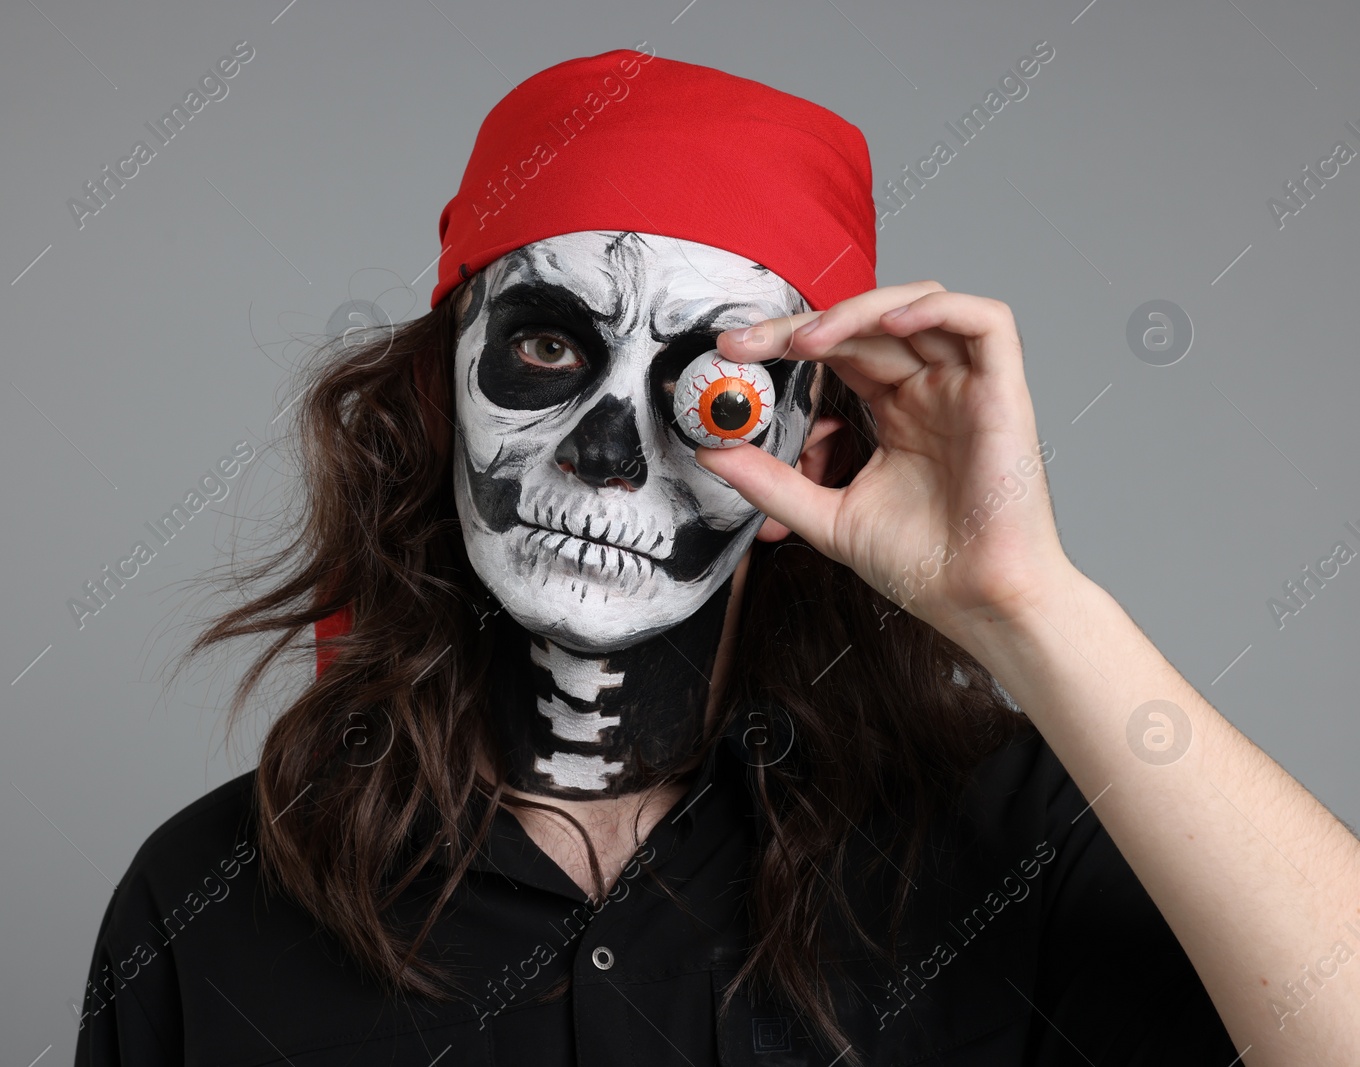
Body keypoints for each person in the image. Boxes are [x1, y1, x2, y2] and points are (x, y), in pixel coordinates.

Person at [72, 49, 1360, 1066]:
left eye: (715, 396)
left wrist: (1027, 600)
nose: (609, 460)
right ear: (438, 392)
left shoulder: (1001, 850)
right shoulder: (211, 903)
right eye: (548, 347)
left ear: (811, 450)